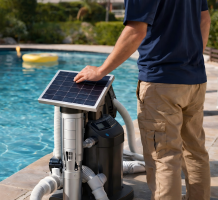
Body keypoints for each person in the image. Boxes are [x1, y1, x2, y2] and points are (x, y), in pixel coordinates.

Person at [74, 0, 212, 199]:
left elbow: (136, 31)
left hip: (162, 83)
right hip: (194, 80)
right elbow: (204, 19)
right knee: (195, 151)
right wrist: (191, 62)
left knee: (164, 158)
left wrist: (101, 70)